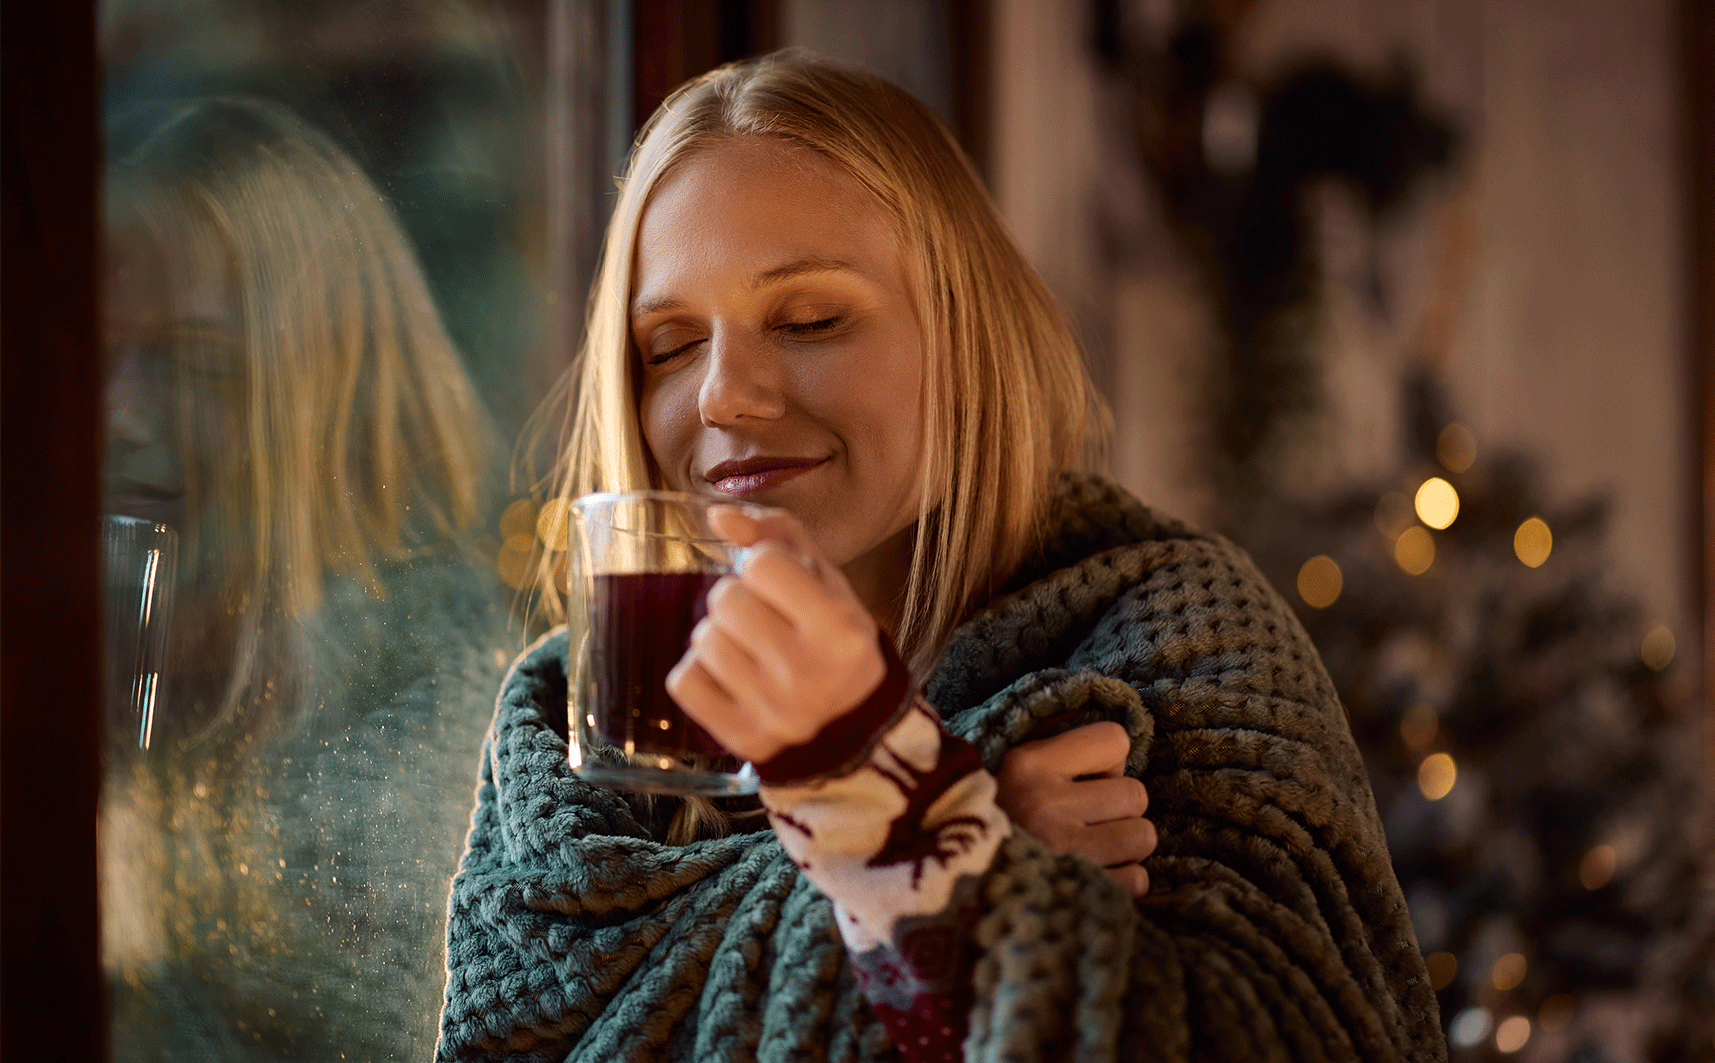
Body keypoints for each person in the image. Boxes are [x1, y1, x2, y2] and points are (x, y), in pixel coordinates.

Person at [439, 51, 1444, 1063]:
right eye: (668, 345)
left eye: (809, 319)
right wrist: (937, 853)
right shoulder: (566, 717)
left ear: (967, 334)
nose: (722, 397)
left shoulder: (1179, 633)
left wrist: (904, 845)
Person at [98, 96, 513, 1061]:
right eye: (104, 354)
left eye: (194, 365)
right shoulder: (176, 635)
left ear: (320, 386)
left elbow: (403, 1025)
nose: (119, 413)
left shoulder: (442, 709)